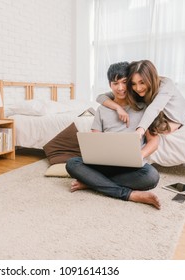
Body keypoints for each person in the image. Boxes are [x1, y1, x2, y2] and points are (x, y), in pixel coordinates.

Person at [66, 62, 161, 209]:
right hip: (104, 164)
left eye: (124, 82)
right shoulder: (102, 110)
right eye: (115, 83)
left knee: (151, 177)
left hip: (132, 167)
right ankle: (129, 194)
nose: (120, 88)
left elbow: (153, 141)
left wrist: (139, 156)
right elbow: (95, 140)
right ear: (110, 85)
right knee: (72, 164)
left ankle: (93, 183)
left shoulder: (144, 108)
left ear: (130, 83)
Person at [96, 60, 185, 137]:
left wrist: (140, 130)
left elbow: (154, 108)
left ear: (149, 79)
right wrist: (118, 108)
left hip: (175, 116)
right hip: (157, 113)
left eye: (142, 82)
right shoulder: (135, 90)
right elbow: (100, 97)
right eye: (133, 83)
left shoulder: (166, 85)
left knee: (158, 129)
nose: (138, 88)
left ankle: (177, 125)